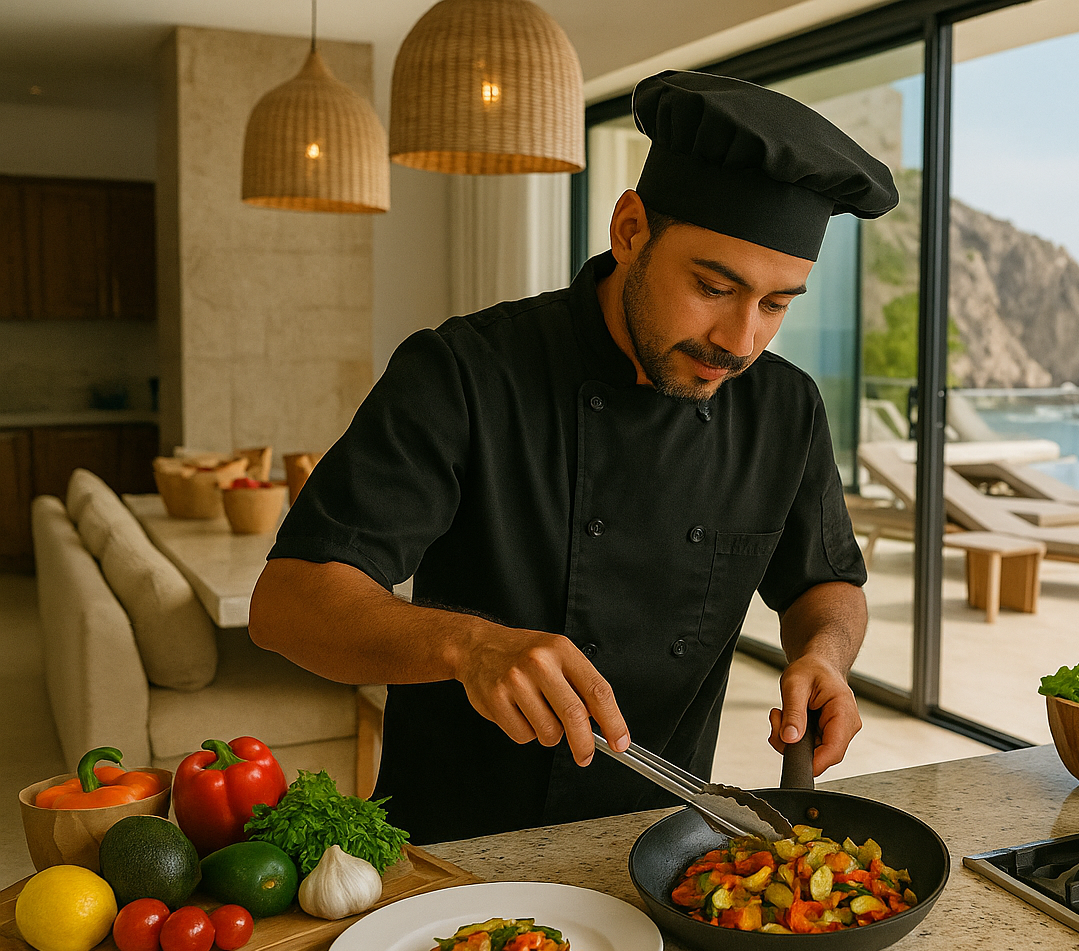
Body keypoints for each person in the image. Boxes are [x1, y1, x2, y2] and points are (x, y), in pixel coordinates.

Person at [247, 70, 899, 844]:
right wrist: (470, 646)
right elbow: (287, 604)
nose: (740, 340)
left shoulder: (784, 408)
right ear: (629, 231)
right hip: (457, 847)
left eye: (776, 304)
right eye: (712, 287)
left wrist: (824, 656)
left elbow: (824, 581)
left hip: (659, 843)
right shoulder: (464, 373)